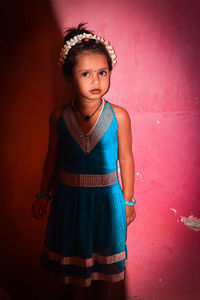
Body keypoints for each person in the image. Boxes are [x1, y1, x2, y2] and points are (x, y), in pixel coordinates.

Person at [32, 23, 136, 300]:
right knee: (72, 277)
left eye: (102, 73)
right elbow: (51, 157)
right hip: (69, 201)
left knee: (104, 273)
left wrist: (128, 201)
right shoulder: (59, 117)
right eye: (86, 74)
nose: (95, 81)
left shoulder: (119, 117)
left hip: (107, 202)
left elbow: (125, 157)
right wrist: (43, 193)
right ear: (69, 76)